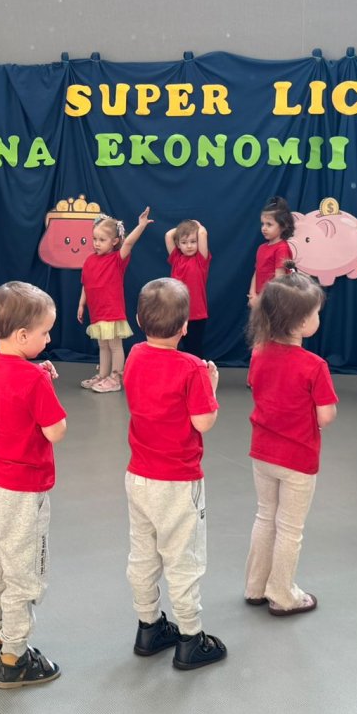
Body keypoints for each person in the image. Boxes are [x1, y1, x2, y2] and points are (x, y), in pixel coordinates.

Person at [122, 278, 225, 670]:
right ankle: (190, 637)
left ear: (138, 320)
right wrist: (210, 386)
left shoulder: (134, 355)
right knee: (184, 558)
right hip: (179, 483)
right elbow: (203, 422)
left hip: (138, 476)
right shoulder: (193, 368)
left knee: (143, 555)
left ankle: (148, 626)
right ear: (185, 326)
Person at [0, 282, 67, 689]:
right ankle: (14, 657)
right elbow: (55, 430)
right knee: (23, 575)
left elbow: (16, 394)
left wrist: (38, 375)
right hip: (22, 494)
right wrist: (43, 384)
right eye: (45, 333)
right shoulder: (34, 380)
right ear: (23, 335)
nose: (48, 339)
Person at [243, 263, 337, 615]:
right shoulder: (314, 365)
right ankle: (283, 595)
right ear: (300, 323)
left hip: (262, 452)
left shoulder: (258, 352)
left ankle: (255, 586)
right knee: (290, 528)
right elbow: (325, 415)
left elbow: (259, 388)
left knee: (264, 516)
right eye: (315, 314)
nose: (318, 318)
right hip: (298, 458)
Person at [76, 206, 152, 393]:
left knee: (114, 345)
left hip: (111, 310)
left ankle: (116, 377)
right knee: (102, 345)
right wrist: (81, 304)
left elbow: (129, 243)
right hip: (97, 311)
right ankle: (103, 374)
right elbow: (86, 284)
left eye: (102, 240)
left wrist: (141, 225)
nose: (96, 243)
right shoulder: (89, 261)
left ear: (114, 241)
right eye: (95, 239)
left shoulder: (117, 259)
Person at [163, 219, 211, 358]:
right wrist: (183, 229)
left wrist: (197, 225)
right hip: (176, 313)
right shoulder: (176, 259)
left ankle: (198, 371)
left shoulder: (201, 260)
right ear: (178, 244)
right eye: (184, 242)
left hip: (196, 314)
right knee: (174, 348)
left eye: (193, 241)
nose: (189, 246)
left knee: (194, 349)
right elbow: (168, 235)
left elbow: (202, 233)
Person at [248, 196, 295, 306]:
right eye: (263, 223)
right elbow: (257, 272)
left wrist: (260, 299)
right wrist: (252, 295)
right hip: (260, 299)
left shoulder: (282, 248)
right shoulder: (261, 248)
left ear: (283, 226)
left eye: (269, 224)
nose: (264, 228)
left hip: (274, 300)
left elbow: (279, 279)